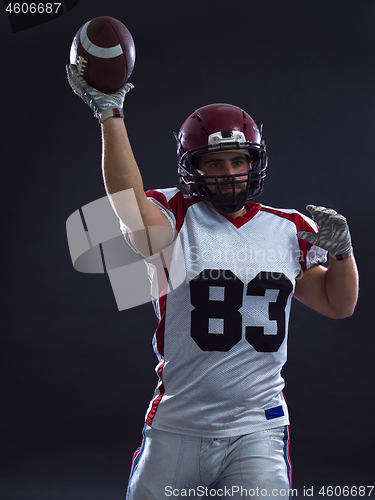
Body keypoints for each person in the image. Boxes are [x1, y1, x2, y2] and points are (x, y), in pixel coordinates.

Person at [66, 64, 359, 499]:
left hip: (257, 428)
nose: (229, 172)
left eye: (238, 160)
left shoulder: (287, 228)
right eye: (215, 162)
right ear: (193, 168)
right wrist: (110, 115)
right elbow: (126, 204)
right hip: (178, 424)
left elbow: (339, 304)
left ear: (253, 162)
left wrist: (342, 254)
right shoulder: (178, 216)